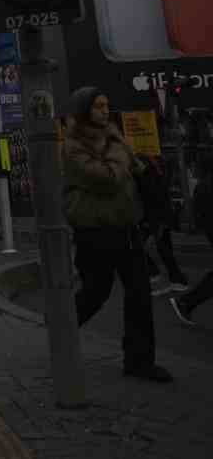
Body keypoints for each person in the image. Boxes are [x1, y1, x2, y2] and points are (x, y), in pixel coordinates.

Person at [63, 87, 171, 382]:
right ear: (84, 110)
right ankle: (61, 331)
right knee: (95, 292)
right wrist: (121, 152)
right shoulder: (73, 145)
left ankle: (139, 361)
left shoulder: (114, 137)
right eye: (97, 106)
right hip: (95, 232)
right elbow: (107, 178)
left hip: (126, 228)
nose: (104, 111)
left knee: (140, 295)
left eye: (106, 105)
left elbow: (136, 169)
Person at [169, 156, 213, 325]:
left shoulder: (203, 187)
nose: (193, 170)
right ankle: (186, 302)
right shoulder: (204, 188)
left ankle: (186, 302)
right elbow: (202, 219)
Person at [136, 157, 188, 294]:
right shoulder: (153, 172)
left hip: (156, 219)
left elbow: (154, 197)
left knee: (162, 250)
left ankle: (172, 279)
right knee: (162, 250)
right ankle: (167, 277)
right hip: (156, 218)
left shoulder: (147, 175)